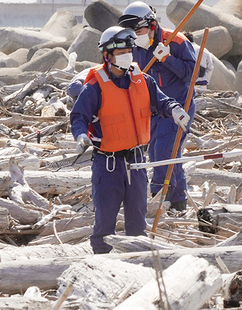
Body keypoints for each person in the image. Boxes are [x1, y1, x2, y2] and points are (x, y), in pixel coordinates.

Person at [70, 26, 190, 254]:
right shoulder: (94, 87)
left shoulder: (142, 80)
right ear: (107, 56)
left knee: (137, 224)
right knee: (105, 224)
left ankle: (138, 264)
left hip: (136, 164)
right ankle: (101, 267)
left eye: (129, 50)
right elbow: (79, 116)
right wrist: (81, 135)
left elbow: (162, 101)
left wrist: (176, 110)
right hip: (108, 166)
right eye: (121, 51)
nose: (127, 55)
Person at [118, 1, 198, 212]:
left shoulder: (176, 41)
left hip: (177, 108)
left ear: (151, 25)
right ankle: (178, 202)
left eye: (139, 30)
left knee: (165, 153)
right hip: (151, 111)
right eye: (131, 32)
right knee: (157, 153)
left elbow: (192, 74)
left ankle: (158, 200)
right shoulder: (133, 46)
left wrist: (168, 58)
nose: (136, 35)